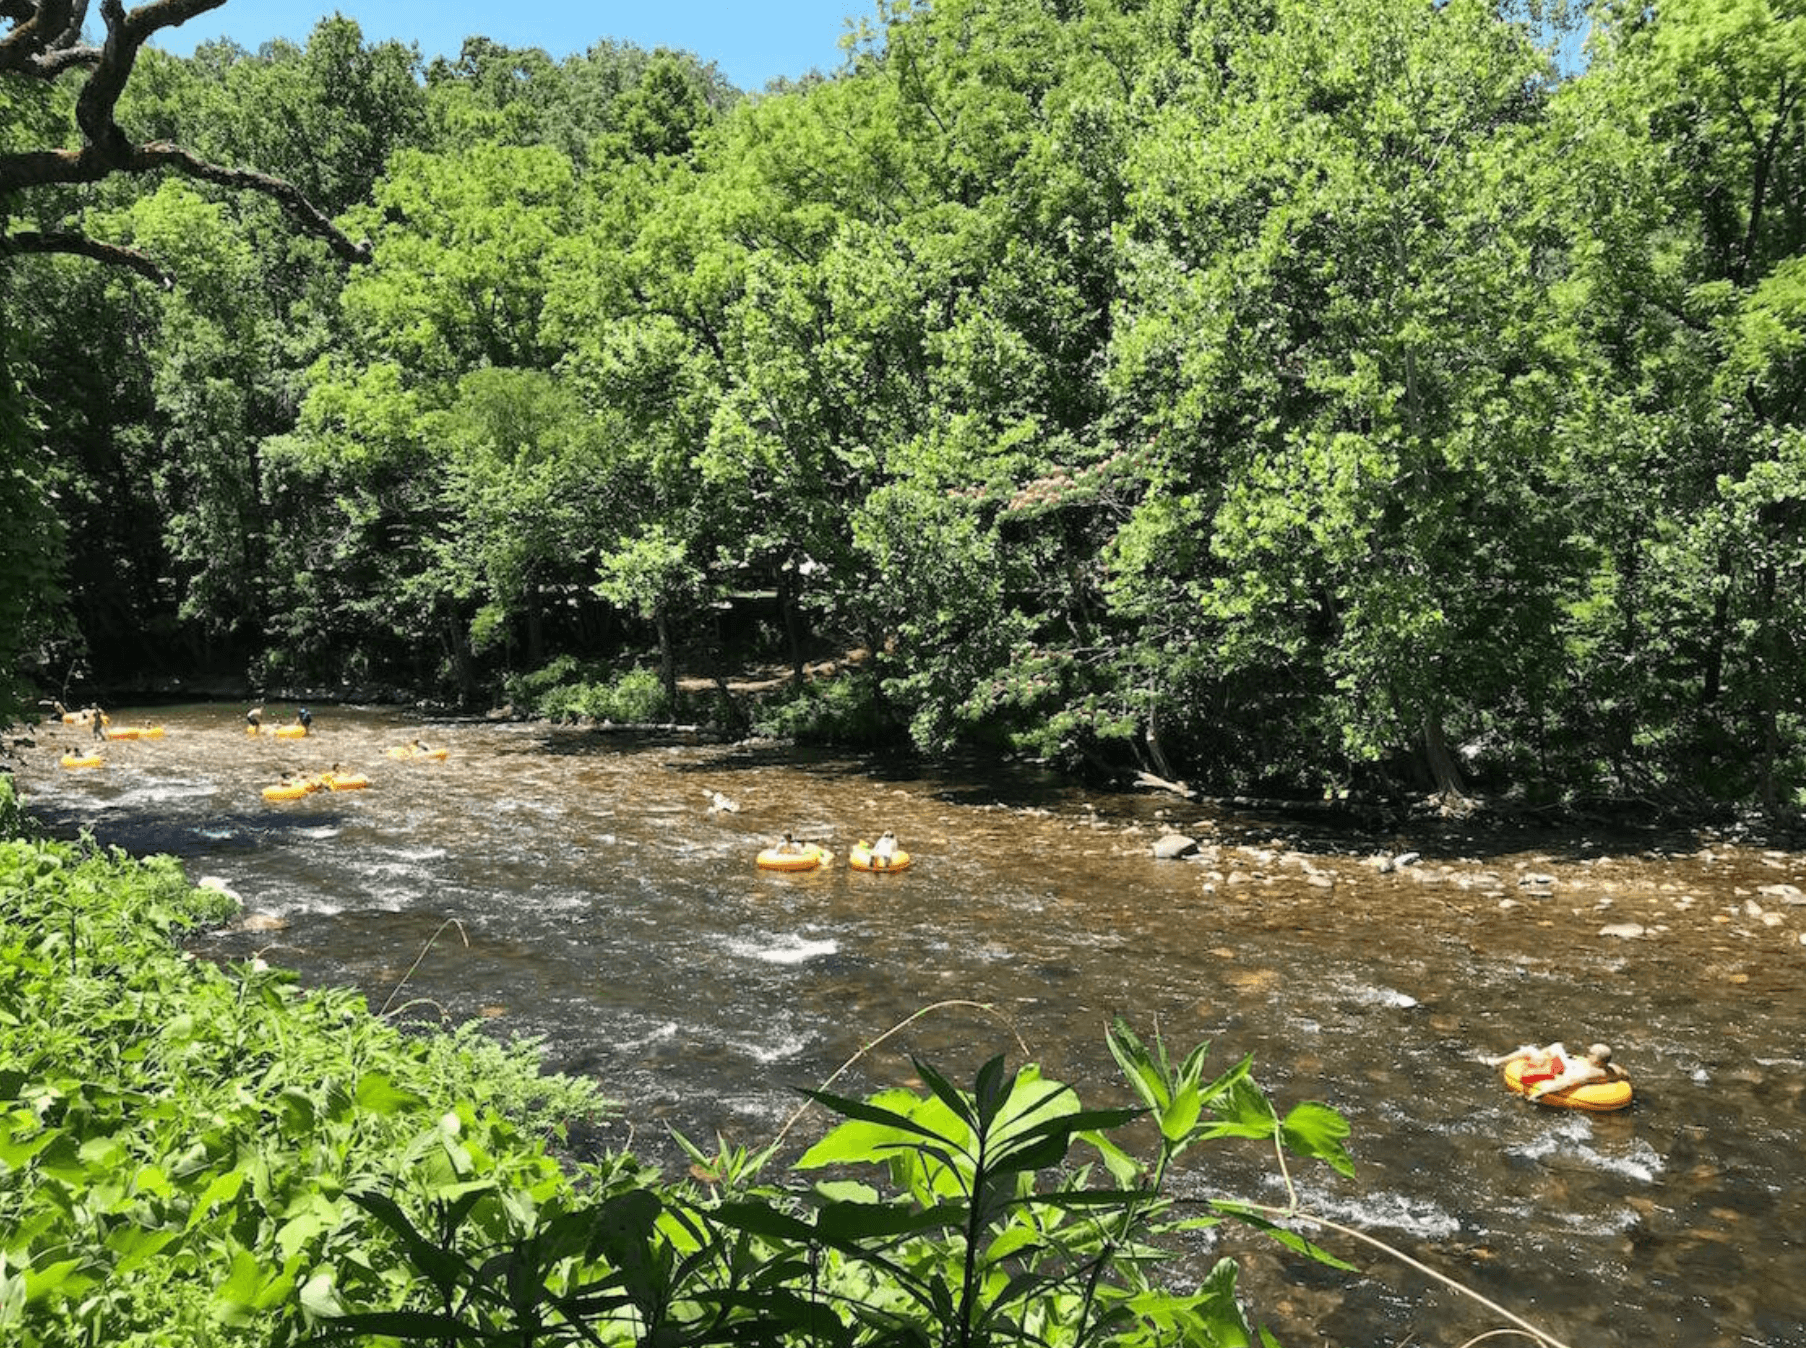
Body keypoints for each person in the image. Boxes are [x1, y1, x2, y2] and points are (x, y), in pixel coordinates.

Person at [1485, 1042, 1625, 1100]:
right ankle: (1537, 1056)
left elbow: (1565, 1083)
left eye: (1590, 1053)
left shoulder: (1589, 1074)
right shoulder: (1615, 1070)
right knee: (1555, 1048)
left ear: (1596, 1059)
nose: (1587, 1054)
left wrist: (1537, 1094)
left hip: (1567, 1072)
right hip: (1572, 1067)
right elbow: (1626, 1076)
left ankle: (1495, 1062)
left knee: (1532, 1050)